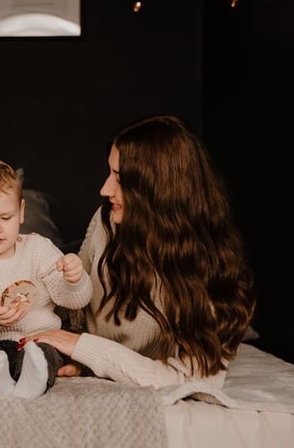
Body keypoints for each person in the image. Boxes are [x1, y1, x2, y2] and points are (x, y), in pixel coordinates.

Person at [27, 114, 256, 389]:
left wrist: (83, 347)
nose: (105, 189)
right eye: (110, 173)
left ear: (158, 189)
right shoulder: (107, 218)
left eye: (120, 178)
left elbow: (192, 379)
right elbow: (76, 302)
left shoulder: (206, 268)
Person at [0, 156, 92, 398]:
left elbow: (74, 301)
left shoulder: (38, 249)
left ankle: (33, 379)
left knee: (46, 350)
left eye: (6, 218)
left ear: (21, 212)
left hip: (37, 339)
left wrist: (74, 280)